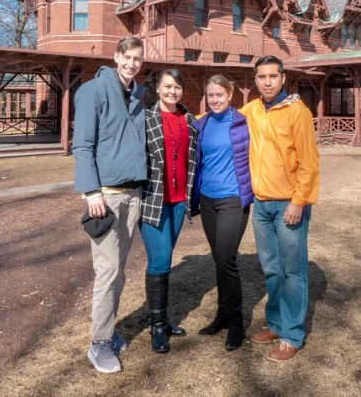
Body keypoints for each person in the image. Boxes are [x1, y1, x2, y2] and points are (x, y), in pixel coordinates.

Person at [73, 36, 147, 374]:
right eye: (127, 57)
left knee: (118, 270)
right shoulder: (94, 91)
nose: (132, 64)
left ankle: (109, 329)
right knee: (107, 270)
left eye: (137, 59)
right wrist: (91, 191)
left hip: (133, 194)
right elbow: (83, 145)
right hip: (106, 196)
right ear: (116, 57)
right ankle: (99, 343)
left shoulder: (138, 95)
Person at [241, 55, 319, 362]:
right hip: (261, 205)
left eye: (273, 76)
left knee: (292, 271)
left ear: (283, 78)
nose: (267, 81)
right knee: (271, 269)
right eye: (262, 77)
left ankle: (292, 335)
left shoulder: (297, 112)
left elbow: (309, 162)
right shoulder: (252, 110)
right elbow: (219, 116)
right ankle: (275, 324)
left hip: (288, 204)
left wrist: (299, 201)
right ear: (255, 80)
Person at [192, 74, 253, 351]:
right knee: (218, 259)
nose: (215, 100)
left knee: (227, 259)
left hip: (233, 199)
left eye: (220, 94)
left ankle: (237, 322)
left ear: (230, 95)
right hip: (207, 200)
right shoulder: (202, 123)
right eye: (211, 95)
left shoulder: (243, 122)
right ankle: (222, 315)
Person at [140, 69, 198, 353]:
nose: (172, 91)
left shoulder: (189, 120)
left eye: (177, 87)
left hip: (178, 202)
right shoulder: (145, 119)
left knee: (165, 259)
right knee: (160, 261)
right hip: (153, 201)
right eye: (167, 86)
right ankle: (158, 326)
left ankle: (160, 316)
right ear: (158, 88)